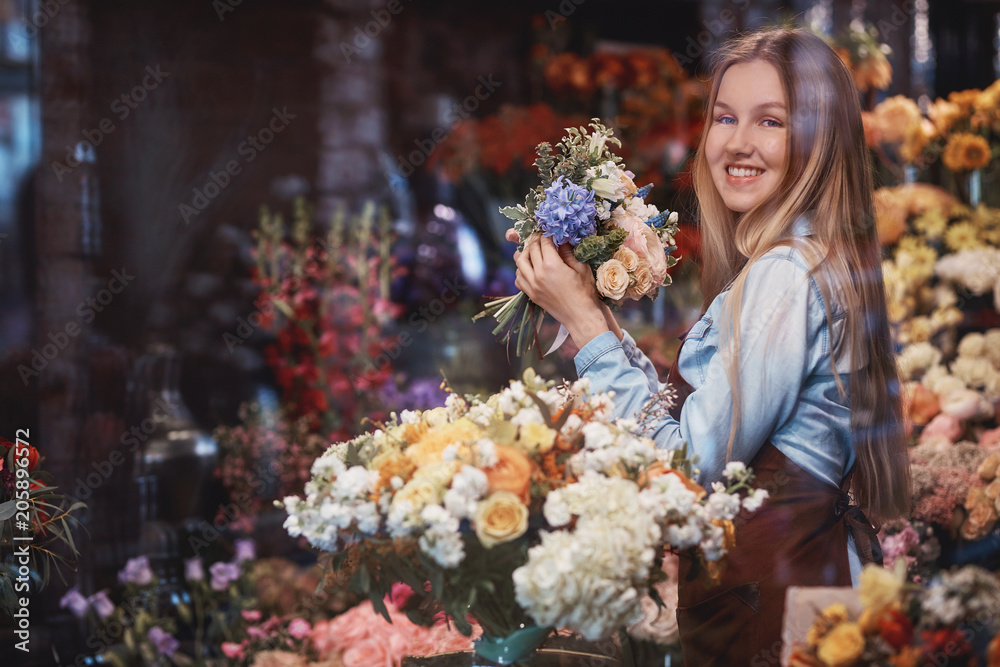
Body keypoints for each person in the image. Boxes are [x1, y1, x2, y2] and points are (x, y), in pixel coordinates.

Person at [508, 27, 911, 665]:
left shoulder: (784, 275)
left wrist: (585, 326)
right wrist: (604, 325)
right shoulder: (801, 262)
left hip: (781, 607)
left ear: (821, 142)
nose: (738, 143)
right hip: (798, 589)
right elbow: (698, 434)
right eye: (725, 116)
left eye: (771, 121)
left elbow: (690, 468)